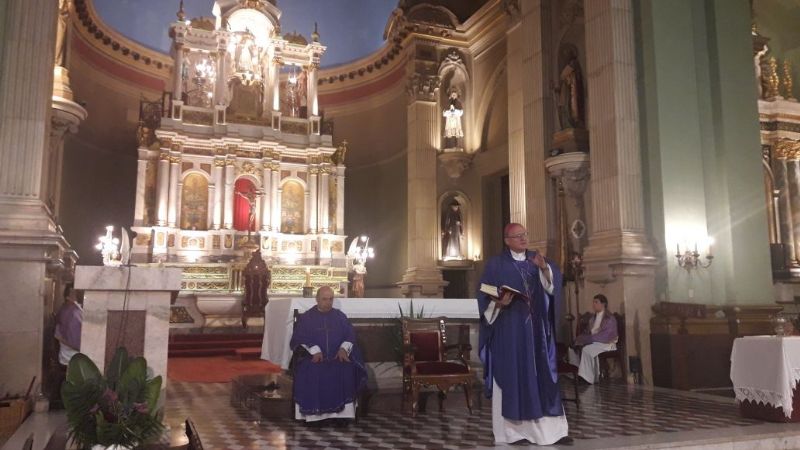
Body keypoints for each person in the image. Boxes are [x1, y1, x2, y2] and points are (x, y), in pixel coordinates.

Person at [477, 223, 569, 445]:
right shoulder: (496, 264)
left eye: (525, 235)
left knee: (544, 377)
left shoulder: (536, 259)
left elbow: (554, 284)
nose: (523, 239)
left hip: (537, 331)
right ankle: (513, 433)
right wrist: (498, 303)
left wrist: (545, 267)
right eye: (517, 236)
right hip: (509, 330)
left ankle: (552, 433)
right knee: (513, 376)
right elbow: (484, 292)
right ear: (506, 240)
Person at [290, 286, 367, 424]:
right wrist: (314, 350)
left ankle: (342, 416)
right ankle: (314, 416)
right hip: (313, 358)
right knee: (311, 370)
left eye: (331, 299)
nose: (328, 303)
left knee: (346, 368)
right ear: (317, 299)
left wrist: (344, 349)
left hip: (337, 357)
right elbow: (298, 338)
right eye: (324, 299)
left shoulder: (340, 316)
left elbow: (350, 335)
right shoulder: (307, 317)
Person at [568, 294, 619, 384]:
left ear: (603, 304)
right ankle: (578, 373)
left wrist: (588, 339)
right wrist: (581, 339)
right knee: (572, 348)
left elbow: (606, 335)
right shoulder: (592, 318)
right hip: (594, 341)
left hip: (607, 344)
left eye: (596, 302)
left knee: (587, 350)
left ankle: (587, 379)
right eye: (593, 302)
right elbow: (588, 331)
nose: (593, 304)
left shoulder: (609, 318)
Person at [54, 284, 82, 367]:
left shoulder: (64, 308)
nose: (78, 295)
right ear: (67, 296)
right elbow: (76, 343)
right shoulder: (73, 313)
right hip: (71, 357)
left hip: (65, 354)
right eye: (75, 293)